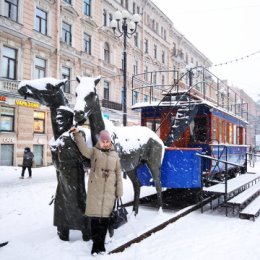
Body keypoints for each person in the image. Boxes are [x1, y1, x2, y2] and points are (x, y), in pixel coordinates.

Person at [71, 128, 123, 256]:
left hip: (109, 193)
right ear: (99, 142)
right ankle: (95, 246)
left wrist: (119, 191)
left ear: (110, 141)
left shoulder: (115, 155)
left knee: (105, 221)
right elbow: (83, 150)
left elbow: (118, 174)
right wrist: (77, 134)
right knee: (95, 220)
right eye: (103, 141)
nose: (105, 143)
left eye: (107, 141)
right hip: (96, 192)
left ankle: (102, 245)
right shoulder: (94, 152)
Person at [50, 106, 90, 242]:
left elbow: (84, 155)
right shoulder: (58, 138)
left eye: (61, 119)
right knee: (62, 205)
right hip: (63, 177)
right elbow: (55, 163)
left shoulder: (78, 134)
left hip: (75, 176)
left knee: (78, 203)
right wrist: (54, 152)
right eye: (57, 119)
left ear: (68, 119)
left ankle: (85, 230)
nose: (58, 121)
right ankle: (63, 230)